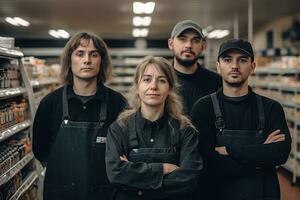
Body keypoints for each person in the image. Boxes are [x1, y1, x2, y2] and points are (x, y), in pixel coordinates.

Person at [191, 38, 291, 200]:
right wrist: (260, 155)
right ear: (218, 66)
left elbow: (280, 153)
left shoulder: (271, 108)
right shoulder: (203, 108)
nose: (235, 66)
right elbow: (209, 163)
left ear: (252, 66)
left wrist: (230, 150)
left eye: (242, 60)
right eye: (227, 59)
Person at [32, 31, 128, 200]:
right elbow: (40, 150)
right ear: (69, 60)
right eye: (80, 54)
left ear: (102, 61)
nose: (87, 60)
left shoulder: (118, 103)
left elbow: (125, 152)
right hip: (61, 193)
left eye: (94, 54)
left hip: (105, 193)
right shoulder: (50, 104)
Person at [105, 56, 202, 200]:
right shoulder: (119, 128)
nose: (153, 86)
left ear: (169, 88)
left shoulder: (185, 130)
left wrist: (135, 180)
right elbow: (116, 174)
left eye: (161, 80)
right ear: (137, 87)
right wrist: (164, 169)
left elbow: (188, 179)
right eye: (147, 79)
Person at [168, 19, 222, 114]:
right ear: (171, 44)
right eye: (182, 39)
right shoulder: (162, 79)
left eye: (195, 40)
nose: (189, 45)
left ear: (203, 46)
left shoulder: (215, 82)